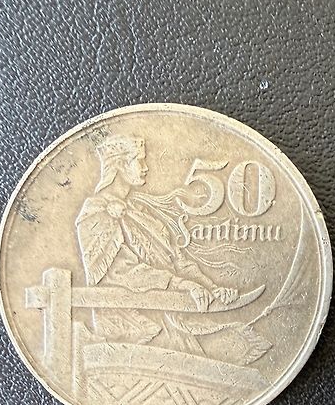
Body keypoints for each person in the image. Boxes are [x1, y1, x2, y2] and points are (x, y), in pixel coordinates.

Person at [75, 135, 238, 350]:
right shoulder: (96, 214)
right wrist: (181, 284)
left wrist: (212, 287)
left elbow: (177, 260)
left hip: (171, 322)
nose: (145, 168)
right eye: (139, 160)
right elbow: (121, 274)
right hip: (133, 332)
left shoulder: (140, 212)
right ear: (120, 165)